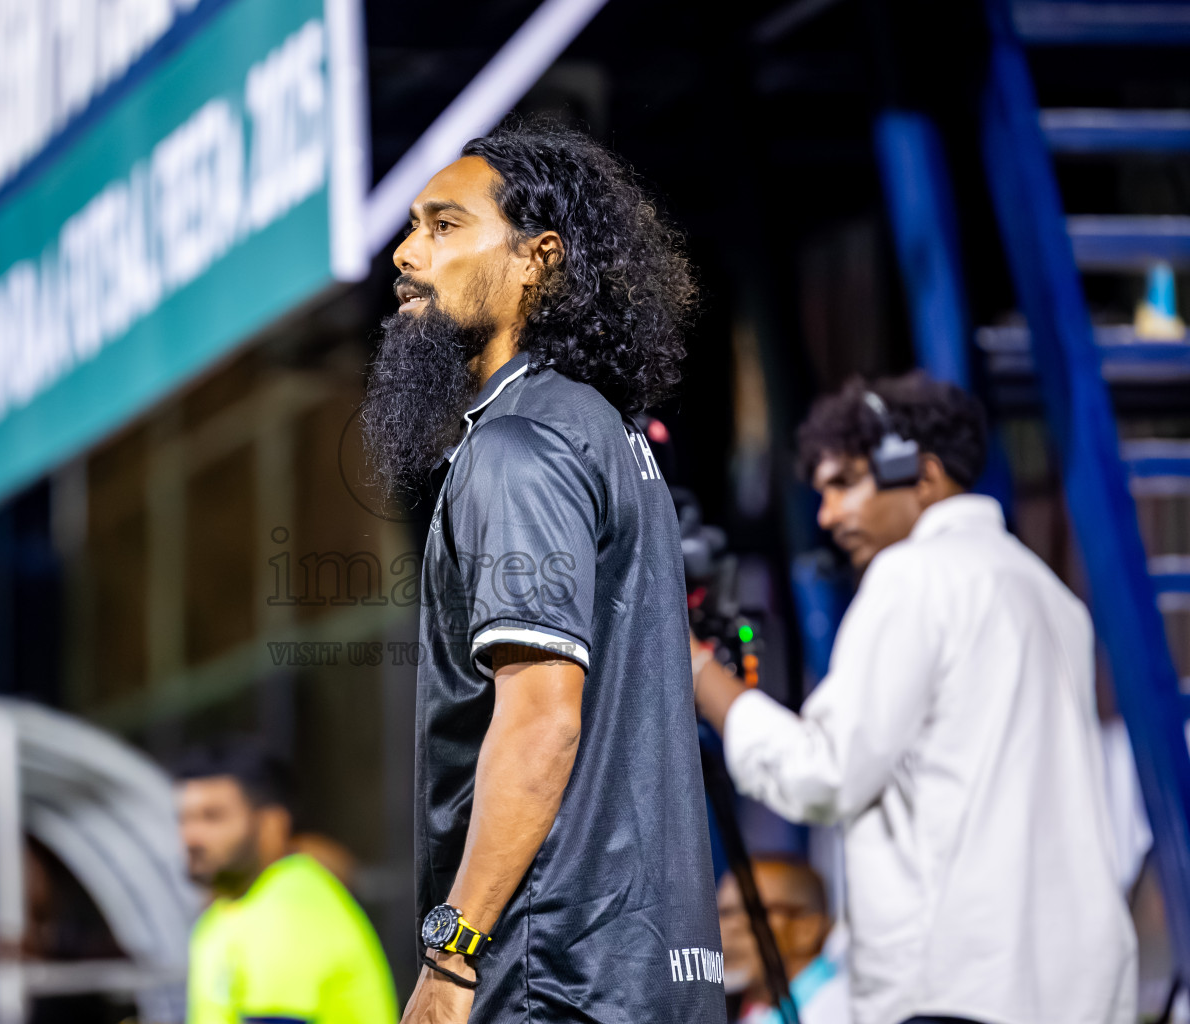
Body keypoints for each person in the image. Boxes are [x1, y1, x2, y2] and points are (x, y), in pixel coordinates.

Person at [362, 118, 723, 1023]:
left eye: (445, 226)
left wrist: (452, 956)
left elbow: (539, 725)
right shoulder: (606, 435)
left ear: (539, 262)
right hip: (646, 973)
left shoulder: (518, 446)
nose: (408, 254)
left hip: (548, 974)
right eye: (411, 226)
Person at [691, 374, 1136, 1024]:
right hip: (1080, 991)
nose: (827, 516)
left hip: (960, 993)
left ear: (922, 475)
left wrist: (702, 674)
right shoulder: (1044, 590)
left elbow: (823, 774)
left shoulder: (913, 576)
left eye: (844, 485)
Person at [175, 741, 396, 1024]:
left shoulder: (290, 905)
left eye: (212, 817)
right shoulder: (223, 913)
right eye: (184, 819)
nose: (190, 837)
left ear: (272, 825)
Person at [716, 858, 848, 1024]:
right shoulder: (749, 1011)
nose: (723, 928)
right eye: (720, 913)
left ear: (806, 930)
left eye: (750, 910)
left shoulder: (849, 1009)